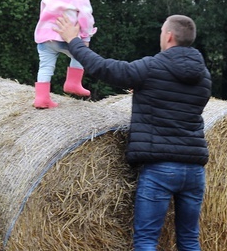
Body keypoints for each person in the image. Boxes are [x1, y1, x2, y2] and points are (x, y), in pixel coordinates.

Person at [54, 14, 211, 250]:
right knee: (189, 240)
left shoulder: (152, 67)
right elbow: (176, 103)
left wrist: (73, 40)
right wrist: (145, 90)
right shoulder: (204, 76)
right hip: (194, 171)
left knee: (146, 240)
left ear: (168, 36)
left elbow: (103, 68)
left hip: (161, 168)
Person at [33, 0, 98, 109]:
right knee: (82, 53)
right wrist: (86, 36)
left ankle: (41, 98)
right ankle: (73, 83)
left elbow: (43, 8)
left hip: (44, 37)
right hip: (65, 38)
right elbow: (86, 18)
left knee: (45, 66)